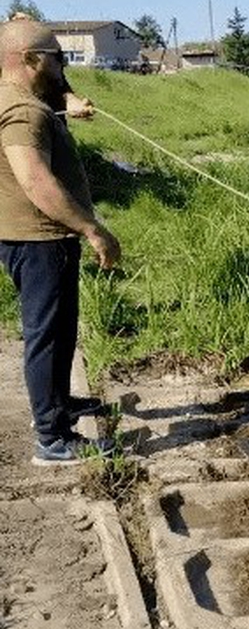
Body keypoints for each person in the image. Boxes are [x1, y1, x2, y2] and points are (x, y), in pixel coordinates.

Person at [0, 20, 120, 465]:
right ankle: (51, 440)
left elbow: (54, 91)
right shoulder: (24, 111)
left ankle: (59, 405)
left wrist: (68, 99)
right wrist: (93, 228)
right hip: (38, 241)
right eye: (57, 56)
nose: (63, 63)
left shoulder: (24, 99)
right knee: (45, 335)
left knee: (60, 327)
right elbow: (36, 181)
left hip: (36, 239)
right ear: (30, 60)